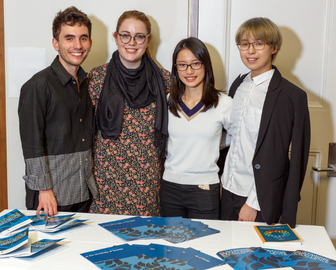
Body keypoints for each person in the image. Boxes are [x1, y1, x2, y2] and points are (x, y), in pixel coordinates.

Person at [220, 17, 310, 228]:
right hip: (228, 190)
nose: (250, 51)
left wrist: (254, 202)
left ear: (274, 48)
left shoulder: (291, 96)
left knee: (253, 259)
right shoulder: (237, 86)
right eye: (244, 44)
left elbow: (290, 157)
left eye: (259, 43)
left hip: (259, 200)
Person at [88, 10, 170, 216]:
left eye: (139, 36)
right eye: (125, 35)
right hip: (105, 184)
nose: (131, 42)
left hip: (148, 185)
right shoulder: (96, 78)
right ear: (115, 38)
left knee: (145, 244)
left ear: (148, 40)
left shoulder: (165, 81)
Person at [18, 6, 97, 216]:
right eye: (69, 38)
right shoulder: (38, 85)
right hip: (52, 197)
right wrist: (44, 189)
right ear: (56, 43)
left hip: (84, 192)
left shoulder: (89, 83)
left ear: (90, 43)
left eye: (83, 38)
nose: (77, 45)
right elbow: (32, 145)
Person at [160, 37, 233, 219]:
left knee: (205, 243)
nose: (189, 71)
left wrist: (213, 142)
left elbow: (238, 140)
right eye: (182, 65)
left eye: (196, 64)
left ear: (206, 65)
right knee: (171, 244)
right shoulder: (167, 101)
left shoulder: (223, 103)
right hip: (169, 187)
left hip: (204, 190)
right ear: (176, 69)